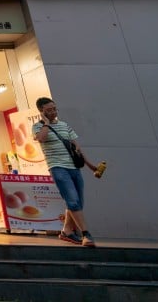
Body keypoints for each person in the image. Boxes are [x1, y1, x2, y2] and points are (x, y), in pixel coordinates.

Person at [33, 96, 96, 247]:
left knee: (77, 202)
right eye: (49, 110)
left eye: (55, 109)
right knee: (72, 201)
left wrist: (90, 165)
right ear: (41, 111)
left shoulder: (64, 125)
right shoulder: (38, 126)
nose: (53, 112)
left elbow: (76, 148)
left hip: (74, 167)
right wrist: (46, 123)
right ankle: (86, 234)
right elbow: (41, 138)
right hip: (57, 167)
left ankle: (67, 231)